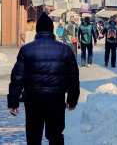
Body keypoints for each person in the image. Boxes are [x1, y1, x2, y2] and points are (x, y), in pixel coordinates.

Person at [8, 12, 80, 145]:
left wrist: (13, 101)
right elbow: (73, 77)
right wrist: (72, 99)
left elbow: (17, 77)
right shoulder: (65, 50)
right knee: (55, 135)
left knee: (34, 136)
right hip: (56, 99)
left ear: (37, 30)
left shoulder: (26, 50)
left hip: (33, 100)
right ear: (52, 30)